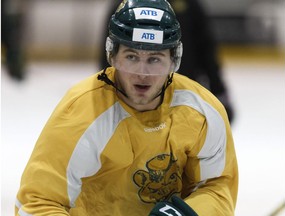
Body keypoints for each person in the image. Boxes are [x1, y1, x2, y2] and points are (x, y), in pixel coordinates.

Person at [15, 0, 238, 215]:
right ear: (112, 56)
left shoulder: (203, 114)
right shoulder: (80, 115)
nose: (142, 72)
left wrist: (185, 214)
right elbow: (37, 203)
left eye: (155, 59)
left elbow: (217, 187)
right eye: (131, 56)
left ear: (174, 60)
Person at [99, 0, 235, 123]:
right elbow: (108, 56)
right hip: (126, 102)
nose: (143, 73)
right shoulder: (123, 7)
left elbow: (206, 49)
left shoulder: (190, 5)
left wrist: (219, 91)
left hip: (183, 95)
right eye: (132, 57)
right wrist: (106, 94)